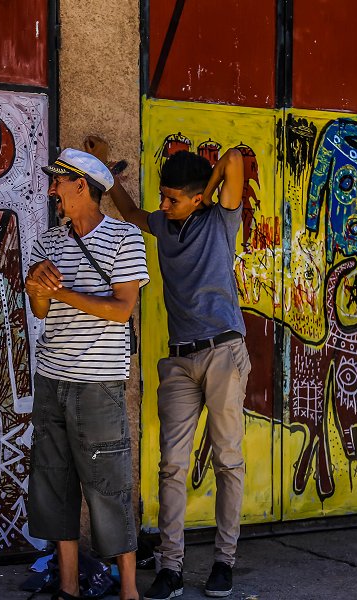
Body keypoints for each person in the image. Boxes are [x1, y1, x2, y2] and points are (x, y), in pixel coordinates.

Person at [85, 136, 251, 599]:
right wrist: (107, 171)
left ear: (196, 199)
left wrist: (206, 197)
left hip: (223, 352)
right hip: (179, 359)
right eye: (163, 197)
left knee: (228, 460)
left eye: (173, 199)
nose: (163, 205)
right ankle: (170, 567)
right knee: (171, 466)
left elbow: (234, 158)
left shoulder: (220, 219)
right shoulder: (164, 223)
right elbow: (130, 212)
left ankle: (224, 561)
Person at [25, 148, 148, 600]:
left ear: (82, 186)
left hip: (98, 383)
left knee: (109, 485)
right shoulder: (48, 242)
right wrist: (37, 287)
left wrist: (60, 292)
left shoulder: (125, 238)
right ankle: (69, 586)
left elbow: (121, 309)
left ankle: (129, 591)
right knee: (54, 481)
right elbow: (40, 311)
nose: (51, 190)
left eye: (58, 182)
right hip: (51, 378)